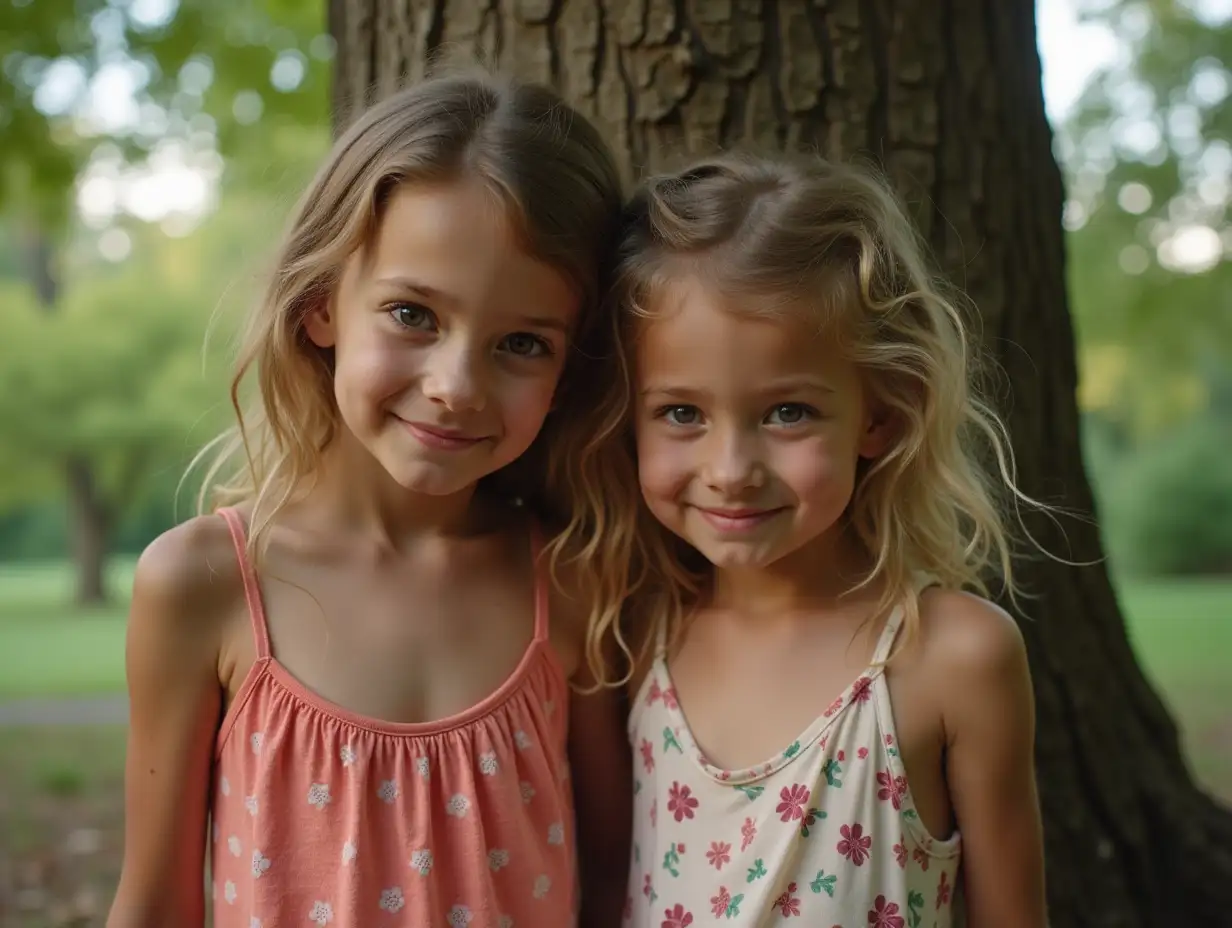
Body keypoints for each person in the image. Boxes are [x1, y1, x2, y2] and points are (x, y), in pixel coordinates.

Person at [107, 70, 631, 928]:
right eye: (413, 316)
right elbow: (156, 904)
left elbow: (616, 881)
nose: (457, 386)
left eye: (523, 343)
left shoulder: (571, 581)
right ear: (320, 305)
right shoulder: (203, 585)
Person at [599, 154, 1048, 927]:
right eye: (681, 413)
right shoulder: (633, 633)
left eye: (788, 413)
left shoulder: (952, 658)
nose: (731, 471)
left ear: (879, 416)